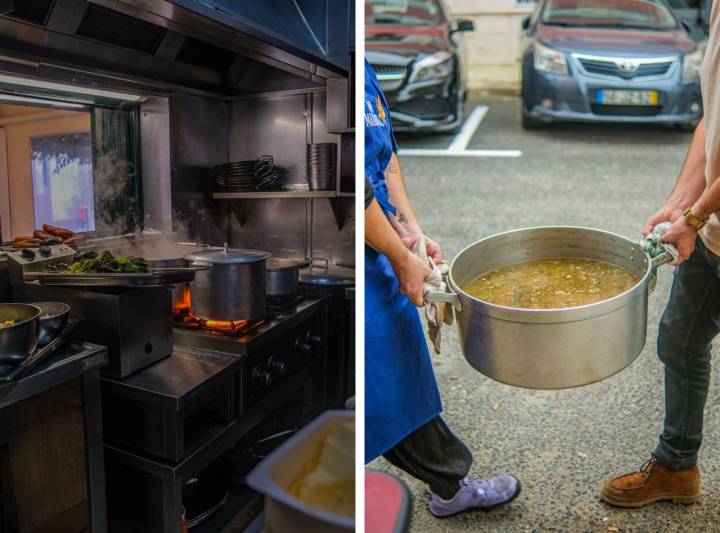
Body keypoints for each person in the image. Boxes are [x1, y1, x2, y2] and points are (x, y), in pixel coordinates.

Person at [364, 60, 521, 518]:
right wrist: (399, 257)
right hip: (356, 243)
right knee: (383, 379)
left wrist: (412, 233)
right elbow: (352, 184)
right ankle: (448, 484)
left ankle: (448, 484)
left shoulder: (364, 64)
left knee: (398, 371)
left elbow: (386, 161)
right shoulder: (338, 56)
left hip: (380, 236)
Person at [601, 1, 720, 508]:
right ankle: (676, 467)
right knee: (679, 341)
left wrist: (692, 218)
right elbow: (710, 123)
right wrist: (679, 205)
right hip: (715, 229)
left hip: (707, 222)